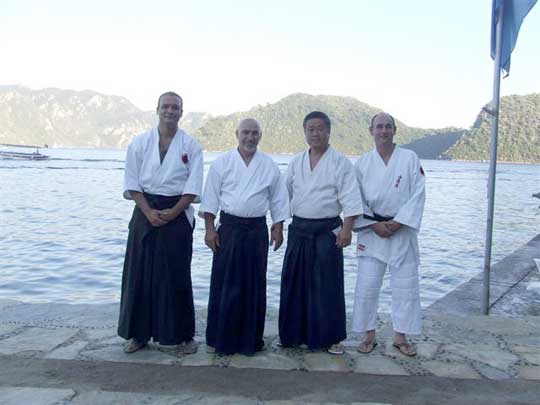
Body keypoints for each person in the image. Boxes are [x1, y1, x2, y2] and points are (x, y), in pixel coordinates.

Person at [118, 91, 203, 354]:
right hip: (145, 212)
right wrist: (148, 212)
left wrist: (174, 211)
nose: (170, 111)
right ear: (157, 109)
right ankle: (138, 334)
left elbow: (193, 186)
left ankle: (183, 336)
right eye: (165, 106)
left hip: (177, 213)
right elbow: (132, 183)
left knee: (176, 275)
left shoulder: (191, 146)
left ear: (181, 112)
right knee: (139, 274)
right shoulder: (140, 142)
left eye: (175, 107)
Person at [200, 118, 289, 355]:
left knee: (253, 284)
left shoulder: (269, 165)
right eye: (245, 133)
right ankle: (221, 338)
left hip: (256, 230)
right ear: (236, 134)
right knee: (225, 283)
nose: (250, 137)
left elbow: (278, 199)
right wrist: (210, 229)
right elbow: (210, 197)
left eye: (254, 133)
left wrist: (278, 227)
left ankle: (250, 340)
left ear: (260, 136)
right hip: (228, 228)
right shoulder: (222, 163)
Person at [278, 111, 363, 355]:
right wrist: (279, 225)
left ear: (328, 131)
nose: (315, 133)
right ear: (305, 132)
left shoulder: (340, 162)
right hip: (299, 229)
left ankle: (330, 338)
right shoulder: (296, 161)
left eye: (320, 129)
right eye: (311, 129)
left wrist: (347, 230)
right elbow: (285, 196)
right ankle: (292, 335)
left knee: (327, 284)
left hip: (328, 230)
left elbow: (350, 198)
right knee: (294, 283)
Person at [352, 112, 425, 357]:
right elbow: (355, 198)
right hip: (372, 231)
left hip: (401, 230)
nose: (383, 131)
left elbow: (418, 193)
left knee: (405, 286)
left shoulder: (410, 158)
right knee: (367, 285)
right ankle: (368, 334)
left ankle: (400, 337)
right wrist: (373, 225)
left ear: (395, 130)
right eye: (379, 127)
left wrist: (398, 222)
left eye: (388, 127)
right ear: (370, 130)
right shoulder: (362, 163)